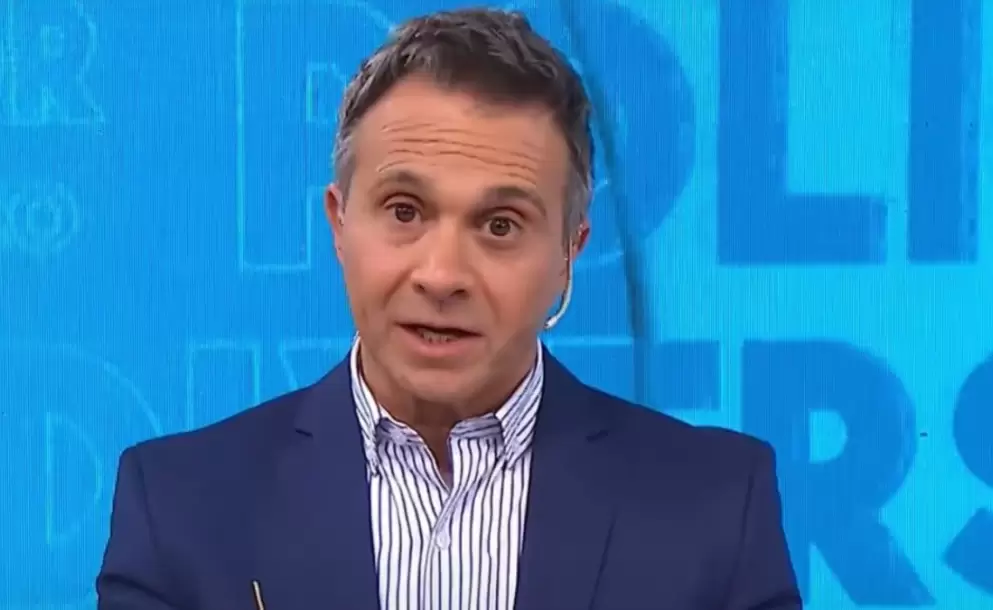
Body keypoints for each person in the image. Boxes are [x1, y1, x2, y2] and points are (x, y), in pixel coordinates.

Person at [96, 8, 802, 610]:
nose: (441, 275)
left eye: (499, 225)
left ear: (568, 251)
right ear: (340, 224)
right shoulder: (181, 508)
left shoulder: (715, 509)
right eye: (404, 210)